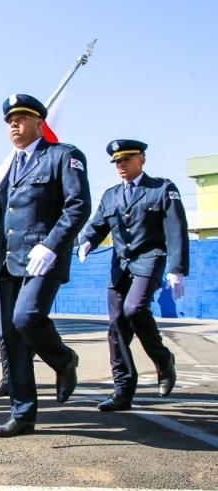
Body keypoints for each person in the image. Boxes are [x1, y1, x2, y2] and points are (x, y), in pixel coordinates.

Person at [0, 94, 91, 437]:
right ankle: (23, 413)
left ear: (39, 122)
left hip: (44, 258)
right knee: (13, 338)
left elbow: (78, 206)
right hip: (10, 261)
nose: (14, 124)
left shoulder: (63, 156)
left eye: (22, 117)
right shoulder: (8, 167)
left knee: (26, 317)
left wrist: (51, 244)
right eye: (10, 120)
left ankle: (64, 361)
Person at [78, 139, 186, 411]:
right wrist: (87, 241)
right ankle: (123, 390)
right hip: (121, 265)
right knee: (116, 327)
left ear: (142, 160)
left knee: (134, 309)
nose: (121, 165)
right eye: (117, 161)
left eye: (126, 159)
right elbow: (98, 224)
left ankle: (163, 361)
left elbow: (176, 229)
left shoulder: (162, 189)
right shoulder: (111, 195)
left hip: (150, 259)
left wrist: (177, 268)